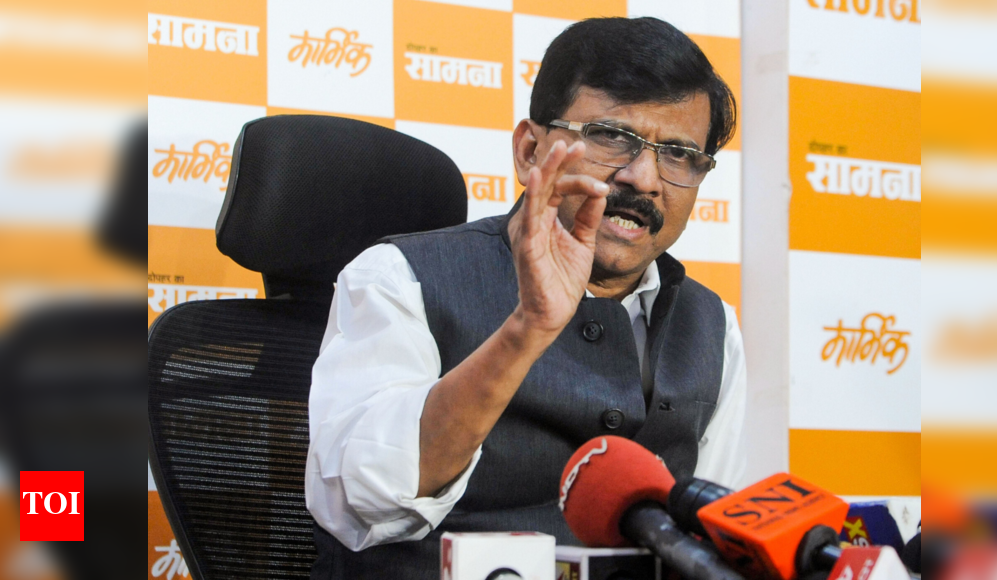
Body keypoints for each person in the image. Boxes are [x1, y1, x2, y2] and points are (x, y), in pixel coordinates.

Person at [305, 17, 743, 580]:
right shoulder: (398, 277)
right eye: (611, 136)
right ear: (531, 150)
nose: (644, 178)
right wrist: (527, 328)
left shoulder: (712, 326)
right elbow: (362, 505)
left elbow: (717, 538)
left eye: (679, 153)